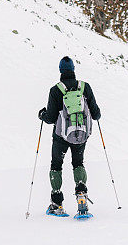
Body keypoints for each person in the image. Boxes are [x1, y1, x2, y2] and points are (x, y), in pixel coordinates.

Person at [38, 56, 101, 217]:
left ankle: (57, 204)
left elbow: (51, 118)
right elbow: (96, 114)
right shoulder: (84, 87)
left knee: (56, 164)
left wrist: (42, 115)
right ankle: (81, 198)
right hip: (81, 135)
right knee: (78, 162)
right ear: (73, 69)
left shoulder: (56, 90)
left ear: (60, 70)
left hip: (61, 135)